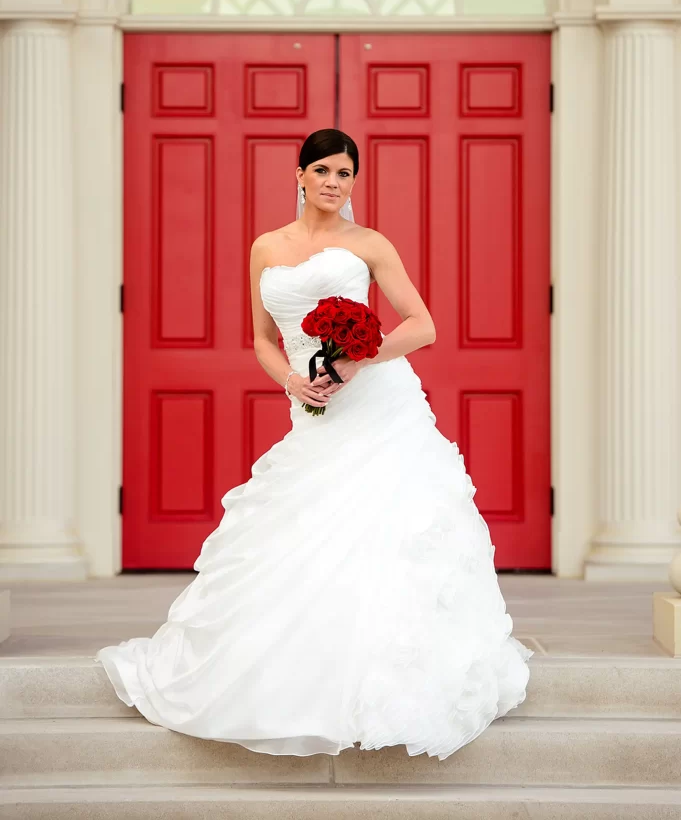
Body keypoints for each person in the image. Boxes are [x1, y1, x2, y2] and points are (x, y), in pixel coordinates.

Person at [95, 127, 532, 760]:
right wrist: (295, 381)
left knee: (384, 526)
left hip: (379, 404)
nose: (334, 182)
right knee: (303, 529)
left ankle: (387, 675)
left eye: (346, 173)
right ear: (299, 175)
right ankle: (302, 669)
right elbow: (264, 339)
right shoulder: (265, 247)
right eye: (323, 170)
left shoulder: (369, 243)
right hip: (311, 404)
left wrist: (357, 361)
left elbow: (423, 325)